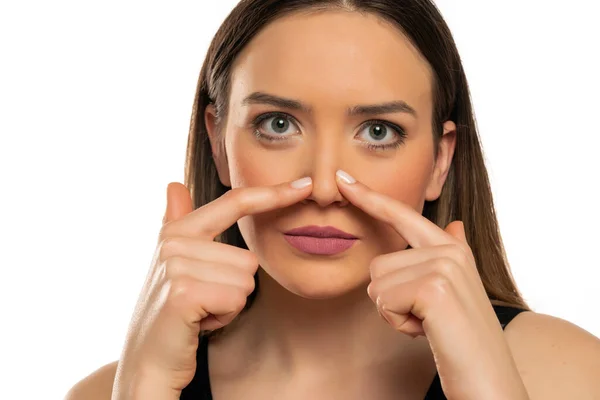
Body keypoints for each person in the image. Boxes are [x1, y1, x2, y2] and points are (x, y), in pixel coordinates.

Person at [66, 0, 600, 399]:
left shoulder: (569, 373)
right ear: (218, 143)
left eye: (377, 131)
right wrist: (146, 383)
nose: (323, 187)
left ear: (440, 160)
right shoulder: (107, 393)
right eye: (277, 125)